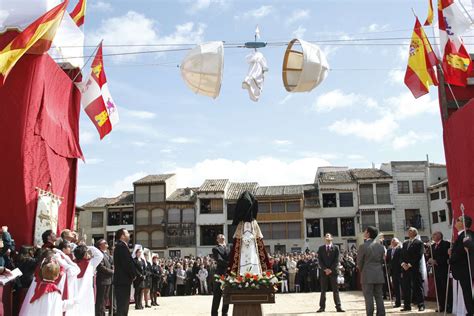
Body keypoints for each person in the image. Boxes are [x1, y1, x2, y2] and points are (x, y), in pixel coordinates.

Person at [357, 226, 386, 316]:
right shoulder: (381, 247)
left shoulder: (363, 246)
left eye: (365, 232)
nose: (364, 233)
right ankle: (381, 314)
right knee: (379, 296)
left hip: (367, 274)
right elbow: (381, 261)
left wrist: (362, 271)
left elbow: (359, 262)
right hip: (378, 274)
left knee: (368, 297)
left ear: (368, 233)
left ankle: (370, 314)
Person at [449, 215, 474, 315]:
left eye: (458, 220)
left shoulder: (466, 234)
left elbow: (461, 252)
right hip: (463, 269)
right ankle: (470, 311)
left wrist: (450, 259)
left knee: (468, 292)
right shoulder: (462, 235)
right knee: (467, 292)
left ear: (462, 223)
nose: (455, 221)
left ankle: (471, 312)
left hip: (466, 269)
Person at [72, 244, 104, 316]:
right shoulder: (90, 263)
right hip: (87, 291)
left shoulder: (72, 263)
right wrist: (89, 246)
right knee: (87, 309)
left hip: (75, 291)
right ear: (84, 254)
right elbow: (100, 255)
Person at [317, 233, 344, 313]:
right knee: (323, 290)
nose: (327, 237)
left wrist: (331, 269)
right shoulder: (321, 248)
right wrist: (325, 269)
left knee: (335, 290)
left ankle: (338, 306)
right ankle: (322, 307)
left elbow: (336, 260)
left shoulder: (336, 248)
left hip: (333, 272)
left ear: (332, 238)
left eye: (328, 236)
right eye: (326, 236)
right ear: (324, 239)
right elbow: (320, 260)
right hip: (324, 272)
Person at [400, 227, 425, 312]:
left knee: (417, 287)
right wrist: (403, 264)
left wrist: (409, 264)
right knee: (406, 287)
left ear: (415, 232)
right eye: (408, 230)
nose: (408, 232)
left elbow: (419, 255)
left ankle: (421, 305)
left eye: (410, 230)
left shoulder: (419, 243)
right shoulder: (405, 243)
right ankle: (407, 306)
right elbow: (402, 255)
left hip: (415, 268)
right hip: (405, 269)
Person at [113, 228, 137, 316]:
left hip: (123, 280)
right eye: (127, 233)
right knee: (122, 306)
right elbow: (127, 263)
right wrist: (133, 274)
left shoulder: (121, 246)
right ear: (122, 236)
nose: (129, 235)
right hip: (122, 280)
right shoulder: (121, 246)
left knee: (124, 306)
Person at [429, 231, 451, 313]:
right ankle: (441, 305)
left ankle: (448, 306)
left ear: (439, 236)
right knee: (438, 289)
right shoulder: (432, 246)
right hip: (436, 271)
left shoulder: (445, 244)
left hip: (443, 269)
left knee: (445, 288)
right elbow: (430, 256)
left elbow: (446, 257)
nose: (433, 236)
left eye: (435, 234)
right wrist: (430, 260)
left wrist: (436, 261)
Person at [211, 234, 229, 316]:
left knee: (227, 295)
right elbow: (219, 260)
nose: (222, 236)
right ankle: (214, 314)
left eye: (222, 235)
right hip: (220, 274)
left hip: (228, 274)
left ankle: (224, 313)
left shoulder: (229, 247)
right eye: (219, 236)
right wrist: (230, 264)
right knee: (217, 295)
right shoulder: (215, 248)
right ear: (217, 240)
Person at [95, 239, 114, 316]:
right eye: (104, 243)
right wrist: (111, 271)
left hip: (108, 280)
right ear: (100, 245)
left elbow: (110, 263)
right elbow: (101, 267)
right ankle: (99, 314)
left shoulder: (107, 254)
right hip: (102, 280)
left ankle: (102, 313)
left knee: (105, 299)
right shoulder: (99, 254)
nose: (107, 244)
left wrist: (112, 267)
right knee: (101, 299)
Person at [386, 238, 402, 308]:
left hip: (399, 270)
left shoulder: (400, 250)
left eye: (394, 240)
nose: (392, 241)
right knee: (395, 287)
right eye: (392, 240)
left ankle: (402, 301)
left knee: (401, 286)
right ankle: (397, 302)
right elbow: (387, 260)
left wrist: (402, 270)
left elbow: (401, 260)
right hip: (392, 271)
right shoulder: (389, 251)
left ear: (397, 242)